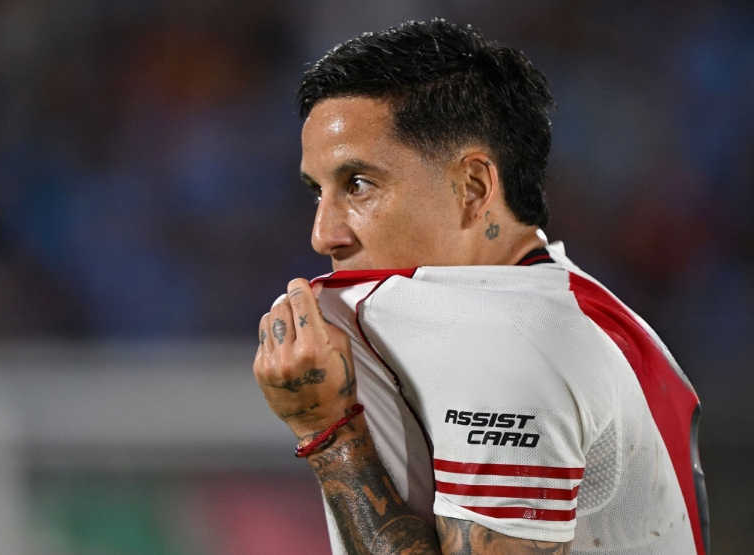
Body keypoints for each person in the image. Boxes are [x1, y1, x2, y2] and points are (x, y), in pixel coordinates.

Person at [253, 19, 710, 555]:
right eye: (318, 192)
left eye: (359, 184)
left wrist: (329, 432)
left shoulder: (508, 340)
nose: (323, 234)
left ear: (471, 187)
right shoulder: (560, 300)